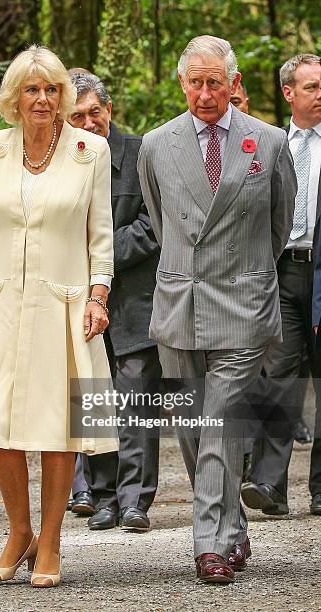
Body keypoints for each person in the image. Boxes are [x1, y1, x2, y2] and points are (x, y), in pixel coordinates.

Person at [0, 45, 117, 588]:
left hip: (63, 304)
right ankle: (19, 533)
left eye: (53, 89)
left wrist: (98, 295)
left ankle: (53, 541)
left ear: (63, 95)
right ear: (13, 98)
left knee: (60, 428)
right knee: (2, 424)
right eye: (33, 90)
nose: (44, 99)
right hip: (1, 304)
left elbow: (101, 234)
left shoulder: (90, 150)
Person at [138, 35, 296, 583]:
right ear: (182, 83)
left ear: (233, 83)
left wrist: (250, 271)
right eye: (195, 82)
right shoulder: (157, 145)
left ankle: (208, 543)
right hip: (181, 301)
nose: (205, 93)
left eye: (215, 82)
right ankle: (232, 526)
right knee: (192, 424)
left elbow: (279, 224)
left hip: (245, 302)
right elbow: (161, 224)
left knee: (221, 421)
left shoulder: (269, 142)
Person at [68, 71, 162, 531]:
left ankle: (134, 501)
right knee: (91, 403)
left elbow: (155, 224)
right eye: (77, 116)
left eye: (94, 113)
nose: (88, 123)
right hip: (78, 304)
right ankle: (101, 496)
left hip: (135, 303)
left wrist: (101, 258)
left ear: (109, 110)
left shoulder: (142, 153)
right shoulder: (61, 161)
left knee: (135, 403)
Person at [242, 53, 321, 516]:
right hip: (283, 270)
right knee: (279, 379)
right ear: (289, 93)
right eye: (311, 87)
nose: (320, 94)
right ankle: (269, 485)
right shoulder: (272, 144)